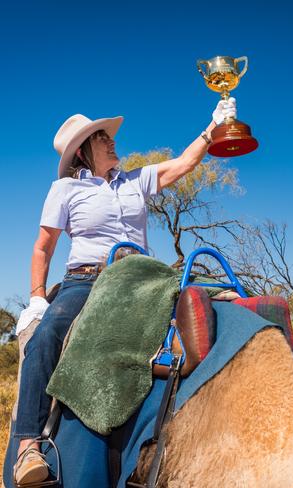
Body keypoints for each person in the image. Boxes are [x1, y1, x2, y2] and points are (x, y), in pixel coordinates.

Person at [12, 98, 237, 486]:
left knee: (214, 305)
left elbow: (182, 164)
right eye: (102, 138)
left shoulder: (135, 180)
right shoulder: (64, 189)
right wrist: (36, 297)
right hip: (88, 280)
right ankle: (27, 445)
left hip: (142, 277)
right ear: (83, 152)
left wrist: (212, 128)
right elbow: (42, 246)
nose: (112, 142)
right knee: (47, 333)